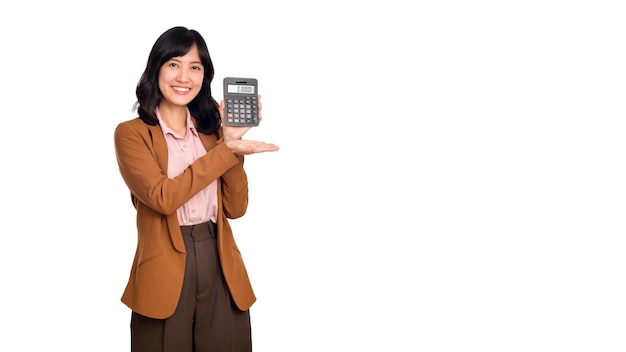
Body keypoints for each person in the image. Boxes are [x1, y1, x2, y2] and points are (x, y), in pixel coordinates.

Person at [114, 26, 279, 352]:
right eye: (174, 64)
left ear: (205, 77)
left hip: (220, 260)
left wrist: (231, 141)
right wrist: (224, 152)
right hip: (163, 265)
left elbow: (236, 207)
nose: (184, 76)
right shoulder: (131, 135)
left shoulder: (212, 135)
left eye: (195, 67)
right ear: (156, 69)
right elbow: (164, 198)